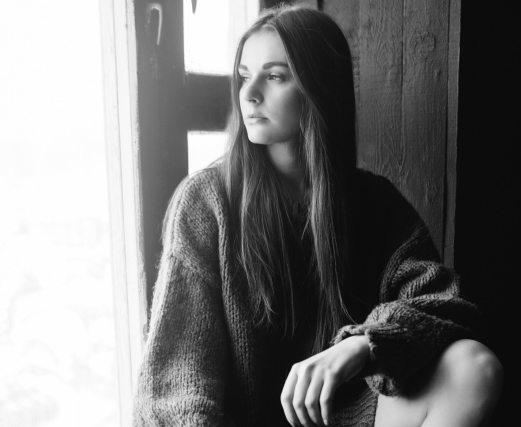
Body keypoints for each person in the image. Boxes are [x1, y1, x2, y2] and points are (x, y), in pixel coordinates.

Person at [133, 5, 502, 427]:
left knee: (474, 366)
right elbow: (176, 386)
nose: (249, 94)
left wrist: (365, 344)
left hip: (349, 417)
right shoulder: (205, 202)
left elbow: (448, 307)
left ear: (318, 86)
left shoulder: (373, 203)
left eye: (275, 76)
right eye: (244, 76)